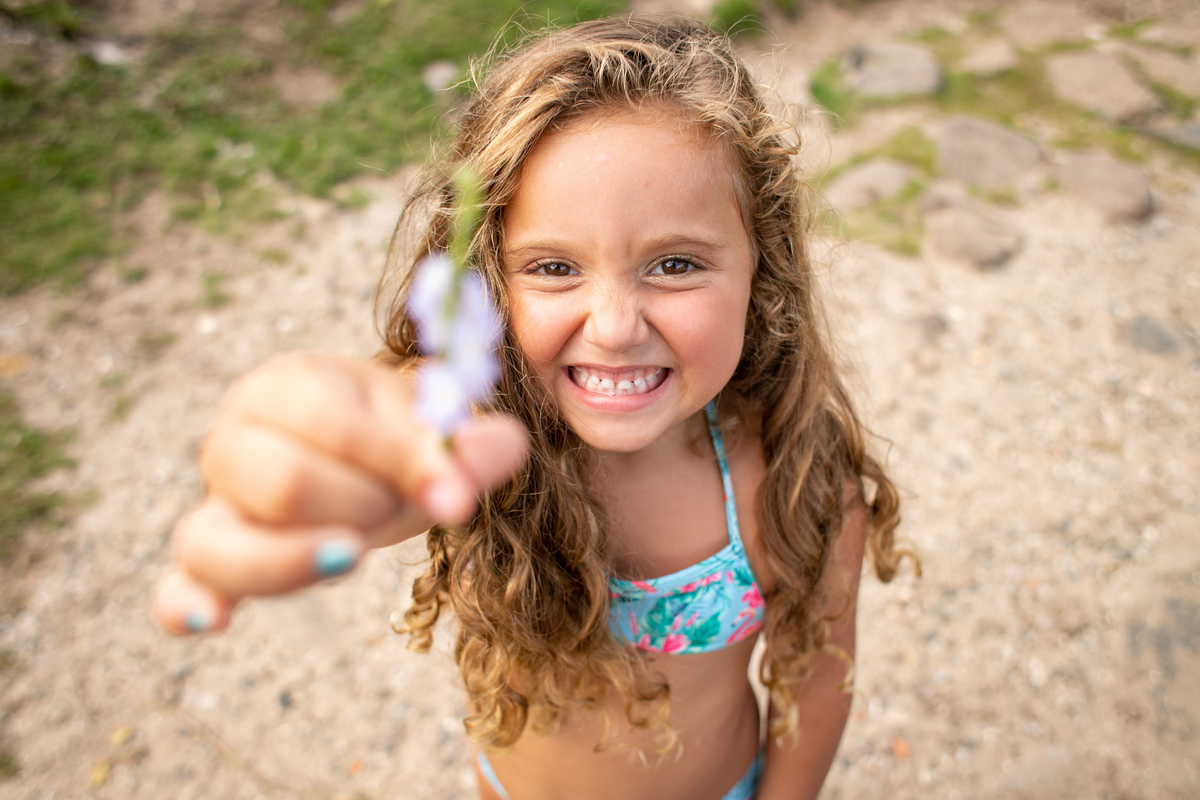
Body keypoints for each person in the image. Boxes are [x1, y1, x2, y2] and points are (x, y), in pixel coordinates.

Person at [152, 15, 913, 800]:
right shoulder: (487, 444)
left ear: (764, 266)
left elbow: (817, 690)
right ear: (488, 286)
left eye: (676, 263)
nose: (616, 326)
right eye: (553, 267)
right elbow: (390, 437)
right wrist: (305, 448)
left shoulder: (793, 479)